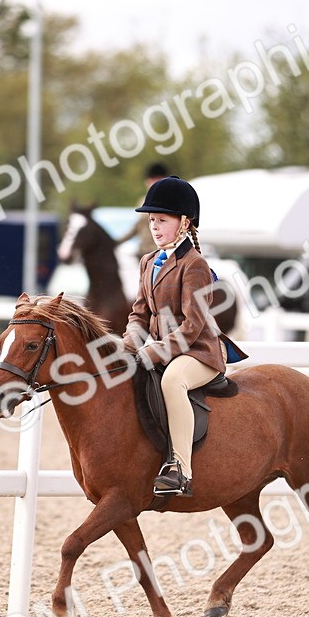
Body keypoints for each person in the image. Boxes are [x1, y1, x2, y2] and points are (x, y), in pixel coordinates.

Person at [123, 175, 242, 497]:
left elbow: (192, 325)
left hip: (198, 353)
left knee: (171, 381)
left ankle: (180, 469)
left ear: (184, 222)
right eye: (151, 221)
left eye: (162, 220)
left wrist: (154, 352)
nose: (155, 227)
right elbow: (139, 314)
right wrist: (128, 345)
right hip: (165, 349)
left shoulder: (195, 265)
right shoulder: (148, 262)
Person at [116, 162, 170, 248]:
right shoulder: (143, 201)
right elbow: (137, 227)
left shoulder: (172, 201)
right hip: (144, 251)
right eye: (151, 179)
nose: (152, 182)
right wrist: (116, 242)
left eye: (156, 179)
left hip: (162, 251)